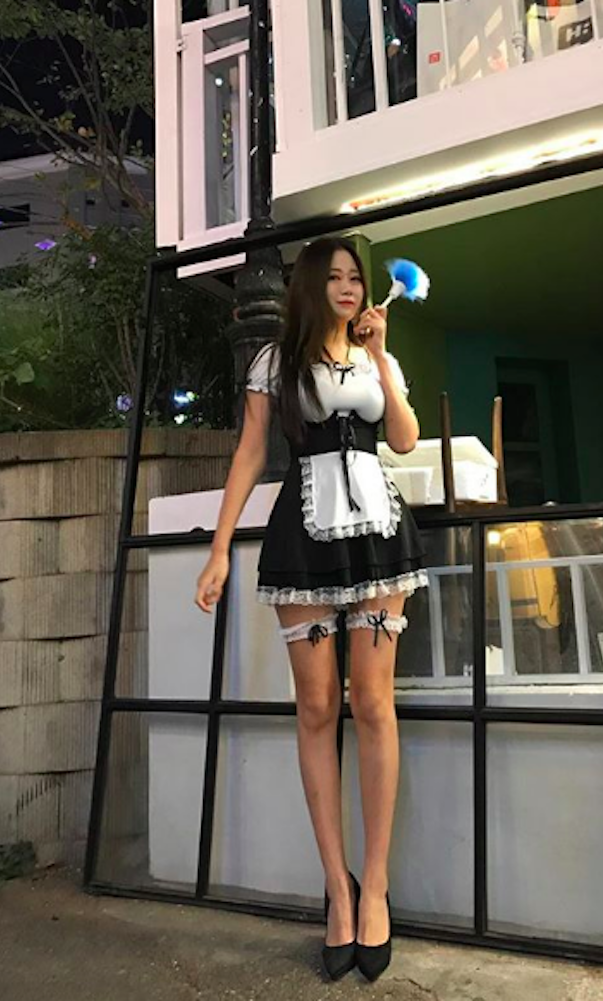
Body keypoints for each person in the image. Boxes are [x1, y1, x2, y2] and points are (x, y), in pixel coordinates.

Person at [194, 236, 430, 982]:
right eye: (333, 277)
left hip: (380, 534)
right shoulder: (276, 360)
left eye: (355, 276)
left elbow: (402, 439)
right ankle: (337, 888)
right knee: (318, 706)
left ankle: (376, 885)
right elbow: (250, 451)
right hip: (303, 535)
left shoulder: (378, 356)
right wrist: (219, 548)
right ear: (308, 286)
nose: (348, 287)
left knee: (375, 705)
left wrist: (382, 357)